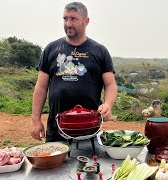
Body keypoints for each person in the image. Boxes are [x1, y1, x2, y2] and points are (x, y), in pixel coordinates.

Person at [30, 2, 117, 142]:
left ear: (86, 21)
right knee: (56, 163)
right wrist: (35, 120)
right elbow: (41, 87)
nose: (68, 23)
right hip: (57, 127)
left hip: (89, 126)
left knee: (89, 164)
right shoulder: (51, 49)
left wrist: (108, 104)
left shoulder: (100, 51)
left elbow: (110, 84)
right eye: (65, 18)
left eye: (73, 19)